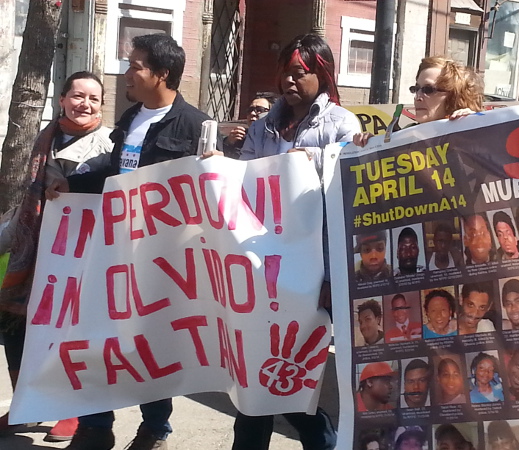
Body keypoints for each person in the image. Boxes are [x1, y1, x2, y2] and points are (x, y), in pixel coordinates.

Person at [48, 34, 219, 450]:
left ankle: (154, 429)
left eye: (136, 65)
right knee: (96, 335)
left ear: (161, 73)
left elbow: (210, 192)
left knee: (153, 343)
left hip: (162, 261)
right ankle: (95, 425)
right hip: (113, 249)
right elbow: (114, 168)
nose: (128, 72)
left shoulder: (196, 125)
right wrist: (70, 181)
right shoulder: (129, 117)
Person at [221, 33, 360, 450]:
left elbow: (343, 197)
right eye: (286, 72)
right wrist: (220, 171)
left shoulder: (341, 124)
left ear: (323, 73)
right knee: (256, 381)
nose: (290, 81)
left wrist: (313, 162)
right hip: (262, 269)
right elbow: (245, 183)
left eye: (300, 73)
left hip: (311, 269)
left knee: (297, 376)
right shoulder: (263, 127)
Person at [0, 71, 113, 441]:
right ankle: (25, 404)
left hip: (81, 254)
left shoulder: (109, 145)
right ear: (62, 99)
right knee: (18, 327)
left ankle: (73, 410)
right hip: (35, 250)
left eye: (94, 99)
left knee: (72, 333)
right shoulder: (45, 137)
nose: (85, 104)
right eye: (78, 96)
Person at [353, 56, 483, 147]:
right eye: (416, 89)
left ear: (454, 96)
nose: (417, 97)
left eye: (428, 89)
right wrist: (370, 147)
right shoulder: (407, 134)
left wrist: (474, 128)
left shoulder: (471, 133)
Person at [222, 92, 278, 158]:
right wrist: (228, 143)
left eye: (259, 110)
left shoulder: (279, 138)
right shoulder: (241, 137)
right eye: (250, 110)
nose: (252, 113)